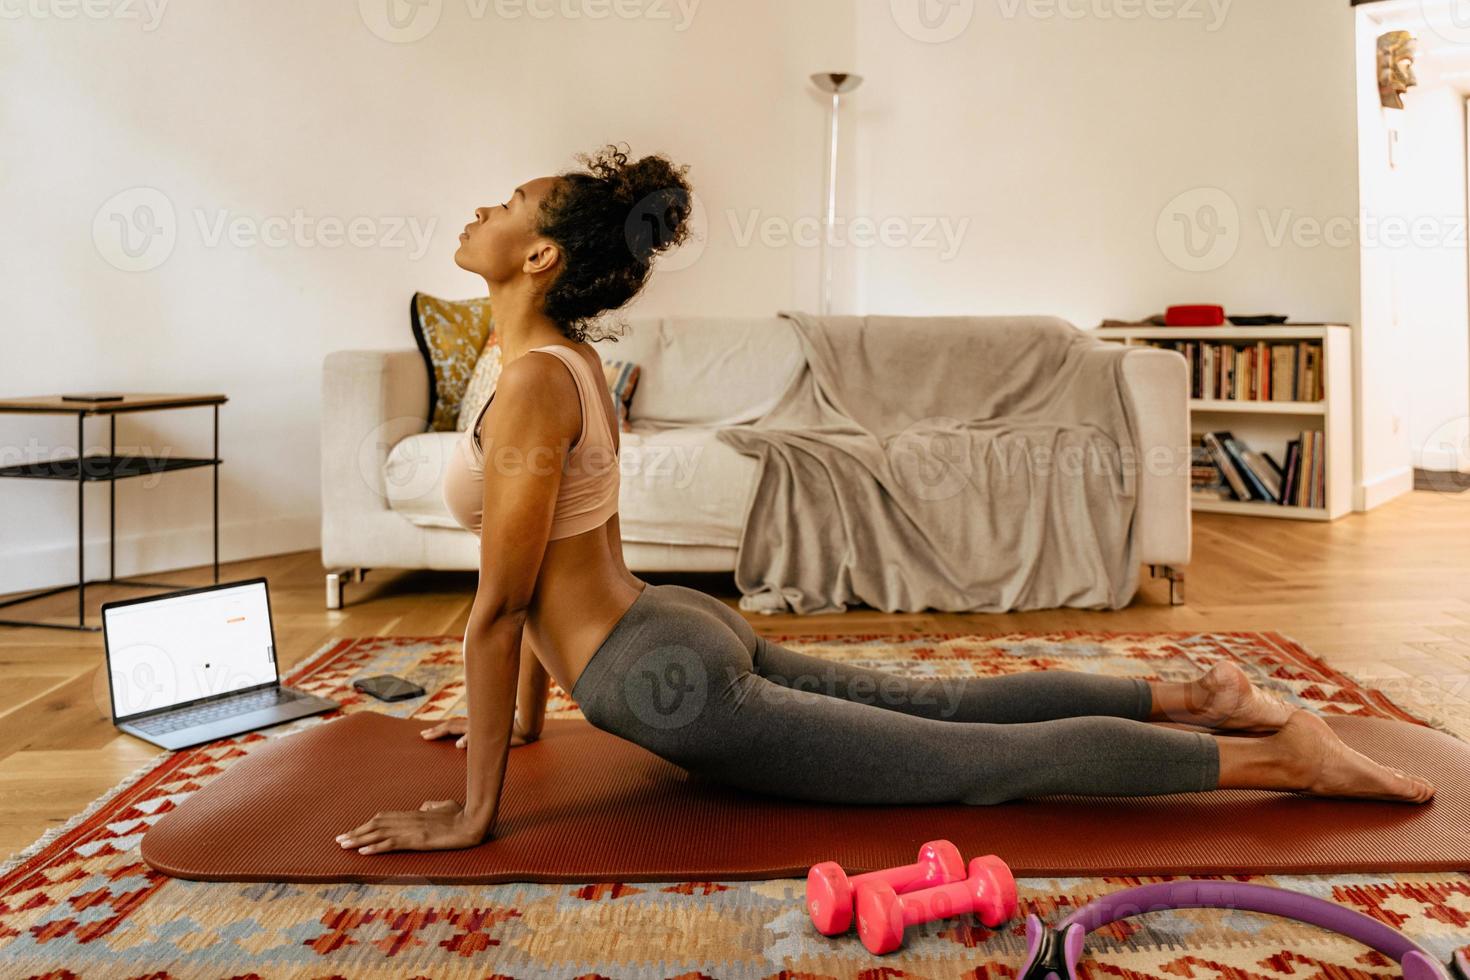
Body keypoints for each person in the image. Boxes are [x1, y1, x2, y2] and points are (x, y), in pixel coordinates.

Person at [335, 144, 1434, 857]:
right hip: (664, 629)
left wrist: (474, 812)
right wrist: (522, 729)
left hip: (661, 678)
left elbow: (497, 606)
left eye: (508, 203)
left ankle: (1272, 757)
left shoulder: (528, 381)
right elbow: (536, 569)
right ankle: (1194, 692)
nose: (482, 206)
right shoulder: (555, 361)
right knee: (937, 709)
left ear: (534, 254)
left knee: (969, 765)